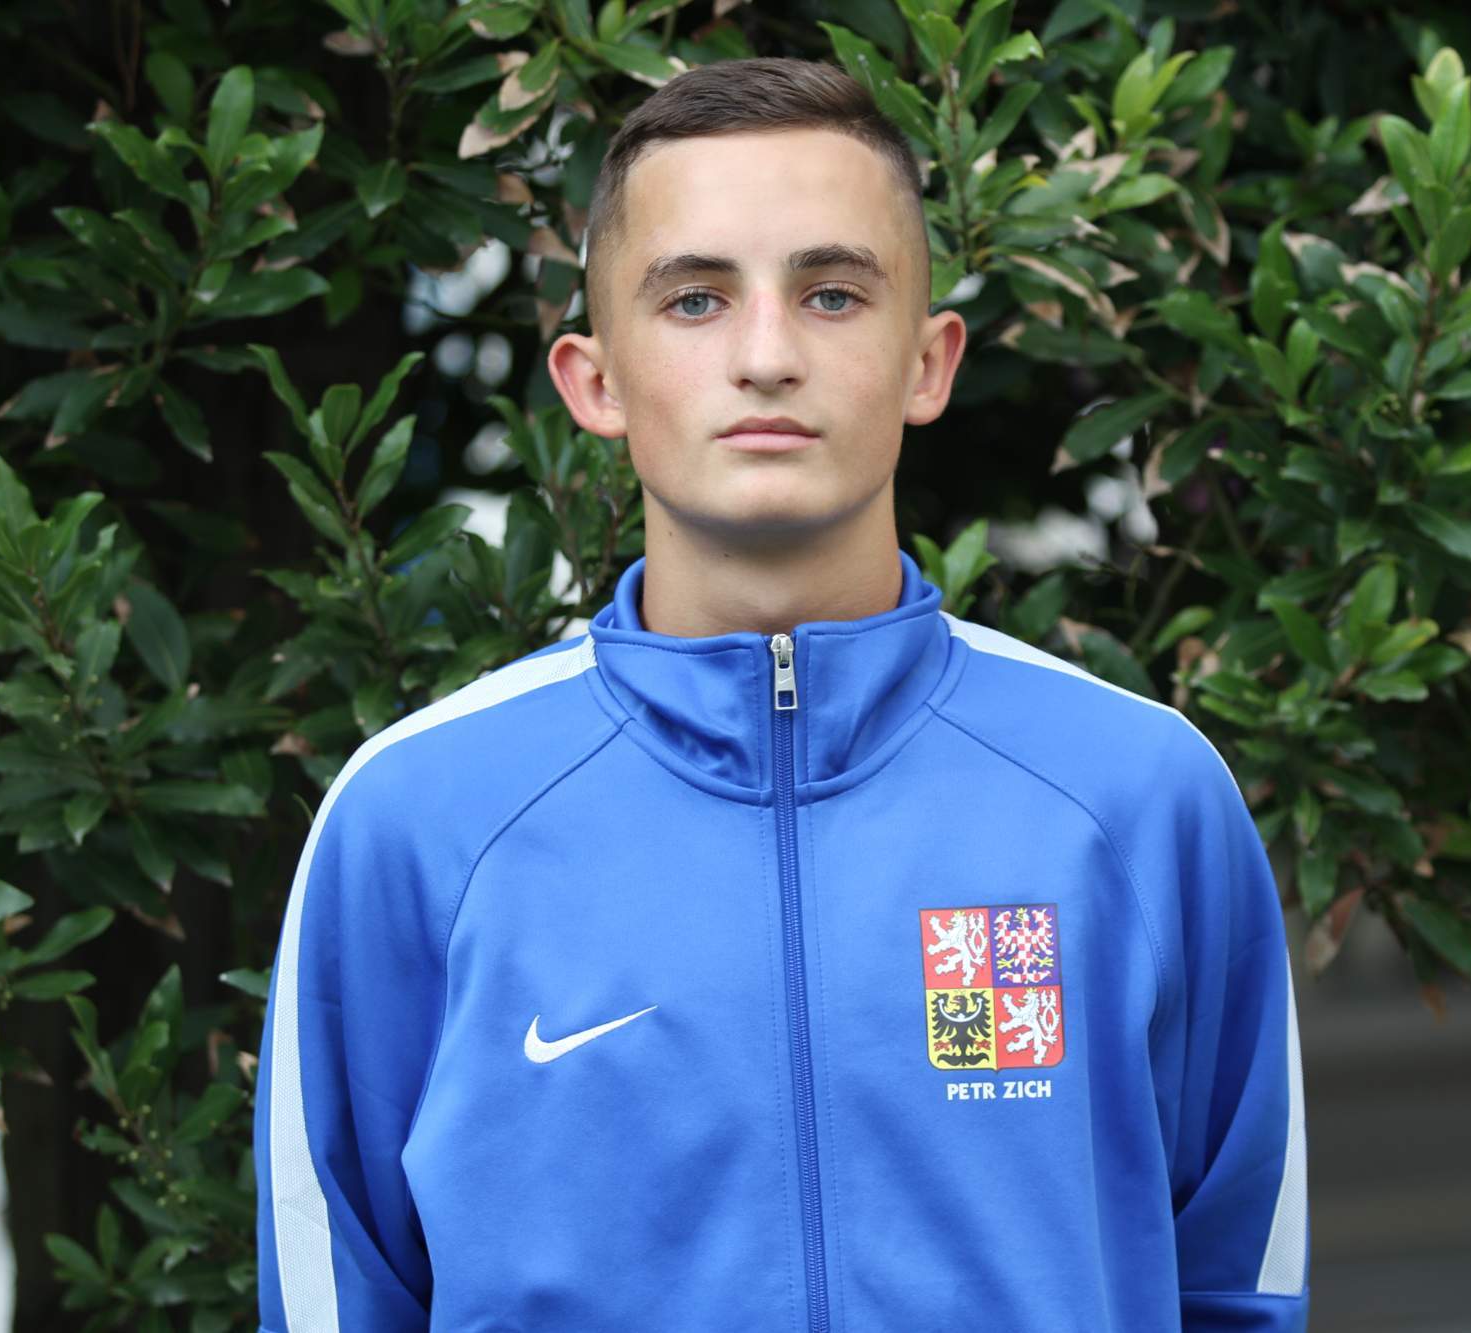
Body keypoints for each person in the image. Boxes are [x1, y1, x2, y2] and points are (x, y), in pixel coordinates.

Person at [254, 55, 1308, 1333]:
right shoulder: (416, 819)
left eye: (831, 294)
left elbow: (1237, 1286)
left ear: (927, 364)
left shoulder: (1135, 794)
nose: (765, 356)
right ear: (594, 380)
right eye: (695, 299)